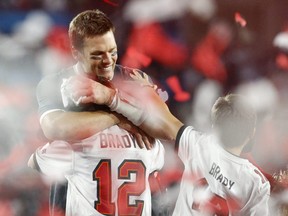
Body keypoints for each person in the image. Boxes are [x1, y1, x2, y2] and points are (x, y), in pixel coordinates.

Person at [31, 9, 165, 216]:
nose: (108, 60)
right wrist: (118, 116)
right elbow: (55, 128)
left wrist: (111, 104)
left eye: (112, 51)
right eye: (97, 54)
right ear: (75, 53)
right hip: (76, 192)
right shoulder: (54, 84)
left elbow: (164, 126)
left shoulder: (135, 79)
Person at [77, 77, 271, 215]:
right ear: (251, 131)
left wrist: (143, 93)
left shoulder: (200, 145)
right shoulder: (256, 184)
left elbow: (164, 120)